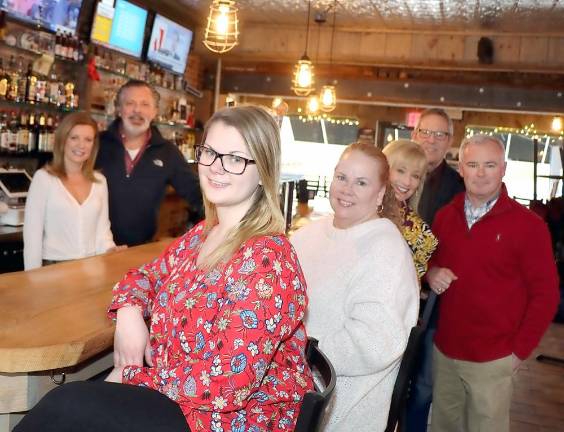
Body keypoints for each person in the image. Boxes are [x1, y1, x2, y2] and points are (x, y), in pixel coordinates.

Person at [15, 105, 314, 432]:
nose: (215, 168)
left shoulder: (268, 257)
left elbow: (229, 383)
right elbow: (144, 276)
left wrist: (133, 376)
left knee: (68, 403)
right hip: (179, 397)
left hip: (227, 419)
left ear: (264, 171)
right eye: (210, 152)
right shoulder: (203, 234)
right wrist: (129, 311)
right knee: (70, 403)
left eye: (235, 159)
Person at [428, 134, 559, 432]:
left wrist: (518, 352)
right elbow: (428, 263)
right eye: (472, 164)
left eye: (490, 165)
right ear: (460, 169)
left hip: (494, 358)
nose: (481, 173)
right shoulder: (444, 217)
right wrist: (432, 272)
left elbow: (546, 295)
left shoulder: (529, 227)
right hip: (445, 351)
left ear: (504, 169)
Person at [291, 142, 420, 431]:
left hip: (341, 400)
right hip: (296, 380)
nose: (347, 189)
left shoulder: (385, 249)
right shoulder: (311, 232)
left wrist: (295, 353)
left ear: (381, 194)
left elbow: (373, 342)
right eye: (342, 177)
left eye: (361, 182)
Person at [405, 108, 465, 432]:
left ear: (449, 142)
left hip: (434, 307)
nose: (431, 139)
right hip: (392, 299)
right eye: (425, 132)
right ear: (415, 135)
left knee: (424, 389)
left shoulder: (460, 187)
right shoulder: (396, 176)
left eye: (439, 134)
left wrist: (431, 270)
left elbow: (462, 247)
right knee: (389, 385)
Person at [95, 79, 202, 246]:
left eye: (145, 104)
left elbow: (197, 194)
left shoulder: (168, 152)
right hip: (93, 249)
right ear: (119, 109)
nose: (137, 110)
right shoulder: (97, 144)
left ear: (154, 112)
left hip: (139, 251)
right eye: (130, 103)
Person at [23, 112, 118, 270]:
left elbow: (103, 231)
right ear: (62, 140)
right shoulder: (44, 179)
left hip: (92, 267)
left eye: (88, 140)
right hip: (54, 270)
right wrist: (32, 278)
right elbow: (32, 236)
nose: (81, 145)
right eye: (74, 138)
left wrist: (111, 250)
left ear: (93, 146)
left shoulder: (100, 181)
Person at [383, 139, 438, 278]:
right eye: (401, 171)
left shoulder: (418, 228)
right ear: (383, 169)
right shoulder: (361, 211)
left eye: (415, 176)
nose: (407, 182)